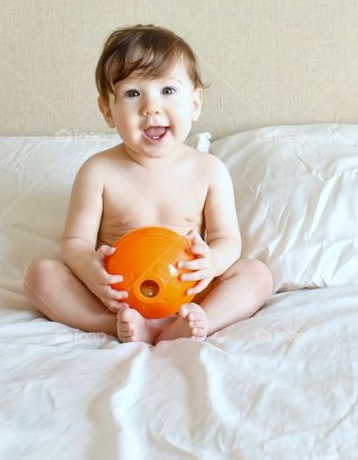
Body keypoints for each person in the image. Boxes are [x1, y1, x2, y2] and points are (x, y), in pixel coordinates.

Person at [24, 24, 274, 344]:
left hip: (188, 293)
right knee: (40, 276)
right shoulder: (98, 171)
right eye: (132, 94)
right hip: (118, 298)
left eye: (167, 91)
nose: (150, 107)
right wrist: (90, 271)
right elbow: (75, 241)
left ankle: (201, 321)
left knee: (257, 274)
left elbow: (227, 240)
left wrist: (211, 264)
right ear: (108, 111)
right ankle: (110, 324)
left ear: (195, 103)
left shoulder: (209, 170)